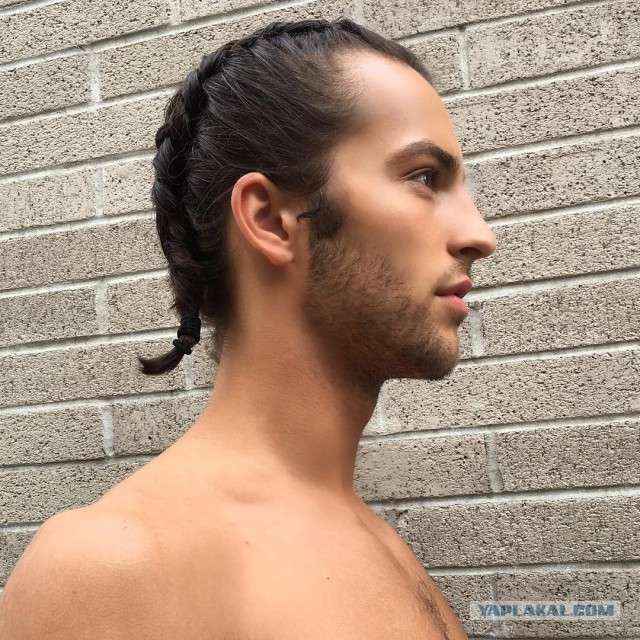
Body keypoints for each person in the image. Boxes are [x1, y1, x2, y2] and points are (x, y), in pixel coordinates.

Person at [0, 17, 496, 639]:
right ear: (268, 220)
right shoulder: (110, 569)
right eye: (423, 178)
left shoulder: (372, 536)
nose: (480, 234)